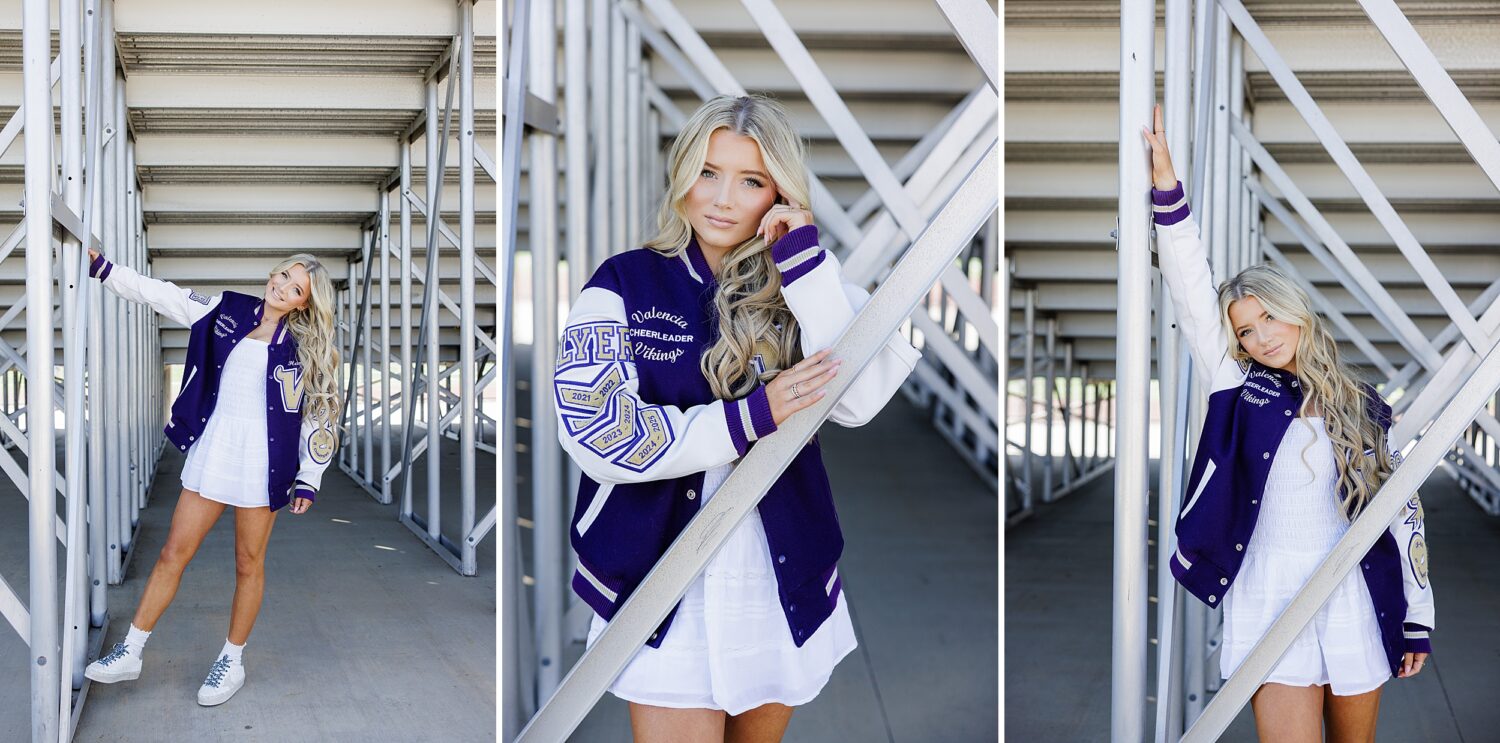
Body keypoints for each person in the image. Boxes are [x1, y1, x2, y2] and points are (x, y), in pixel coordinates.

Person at [552, 93, 922, 742]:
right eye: (708, 172)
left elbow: (859, 401)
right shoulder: (624, 282)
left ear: (777, 191)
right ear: (683, 176)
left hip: (772, 581)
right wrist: (748, 418)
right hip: (663, 583)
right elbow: (597, 432)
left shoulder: (807, 276)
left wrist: (804, 264)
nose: (722, 198)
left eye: (749, 180)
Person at [1142, 104, 1433, 742]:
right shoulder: (1238, 386)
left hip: (1354, 586)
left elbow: (1401, 511)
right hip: (1268, 589)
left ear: (1296, 313)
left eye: (1269, 318)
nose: (1260, 336)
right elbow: (1193, 291)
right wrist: (1167, 191)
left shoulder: (1361, 402)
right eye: (1246, 330)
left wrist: (1417, 617)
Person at [81, 247, 341, 707]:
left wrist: (310, 476)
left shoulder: (307, 349)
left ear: (305, 302)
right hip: (215, 449)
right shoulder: (226, 309)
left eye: (295, 288)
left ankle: (232, 661)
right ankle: (132, 650)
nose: (281, 287)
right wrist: (104, 269)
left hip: (264, 464)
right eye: (283, 275)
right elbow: (165, 296)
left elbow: (320, 415)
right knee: (171, 553)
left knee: (248, 564)